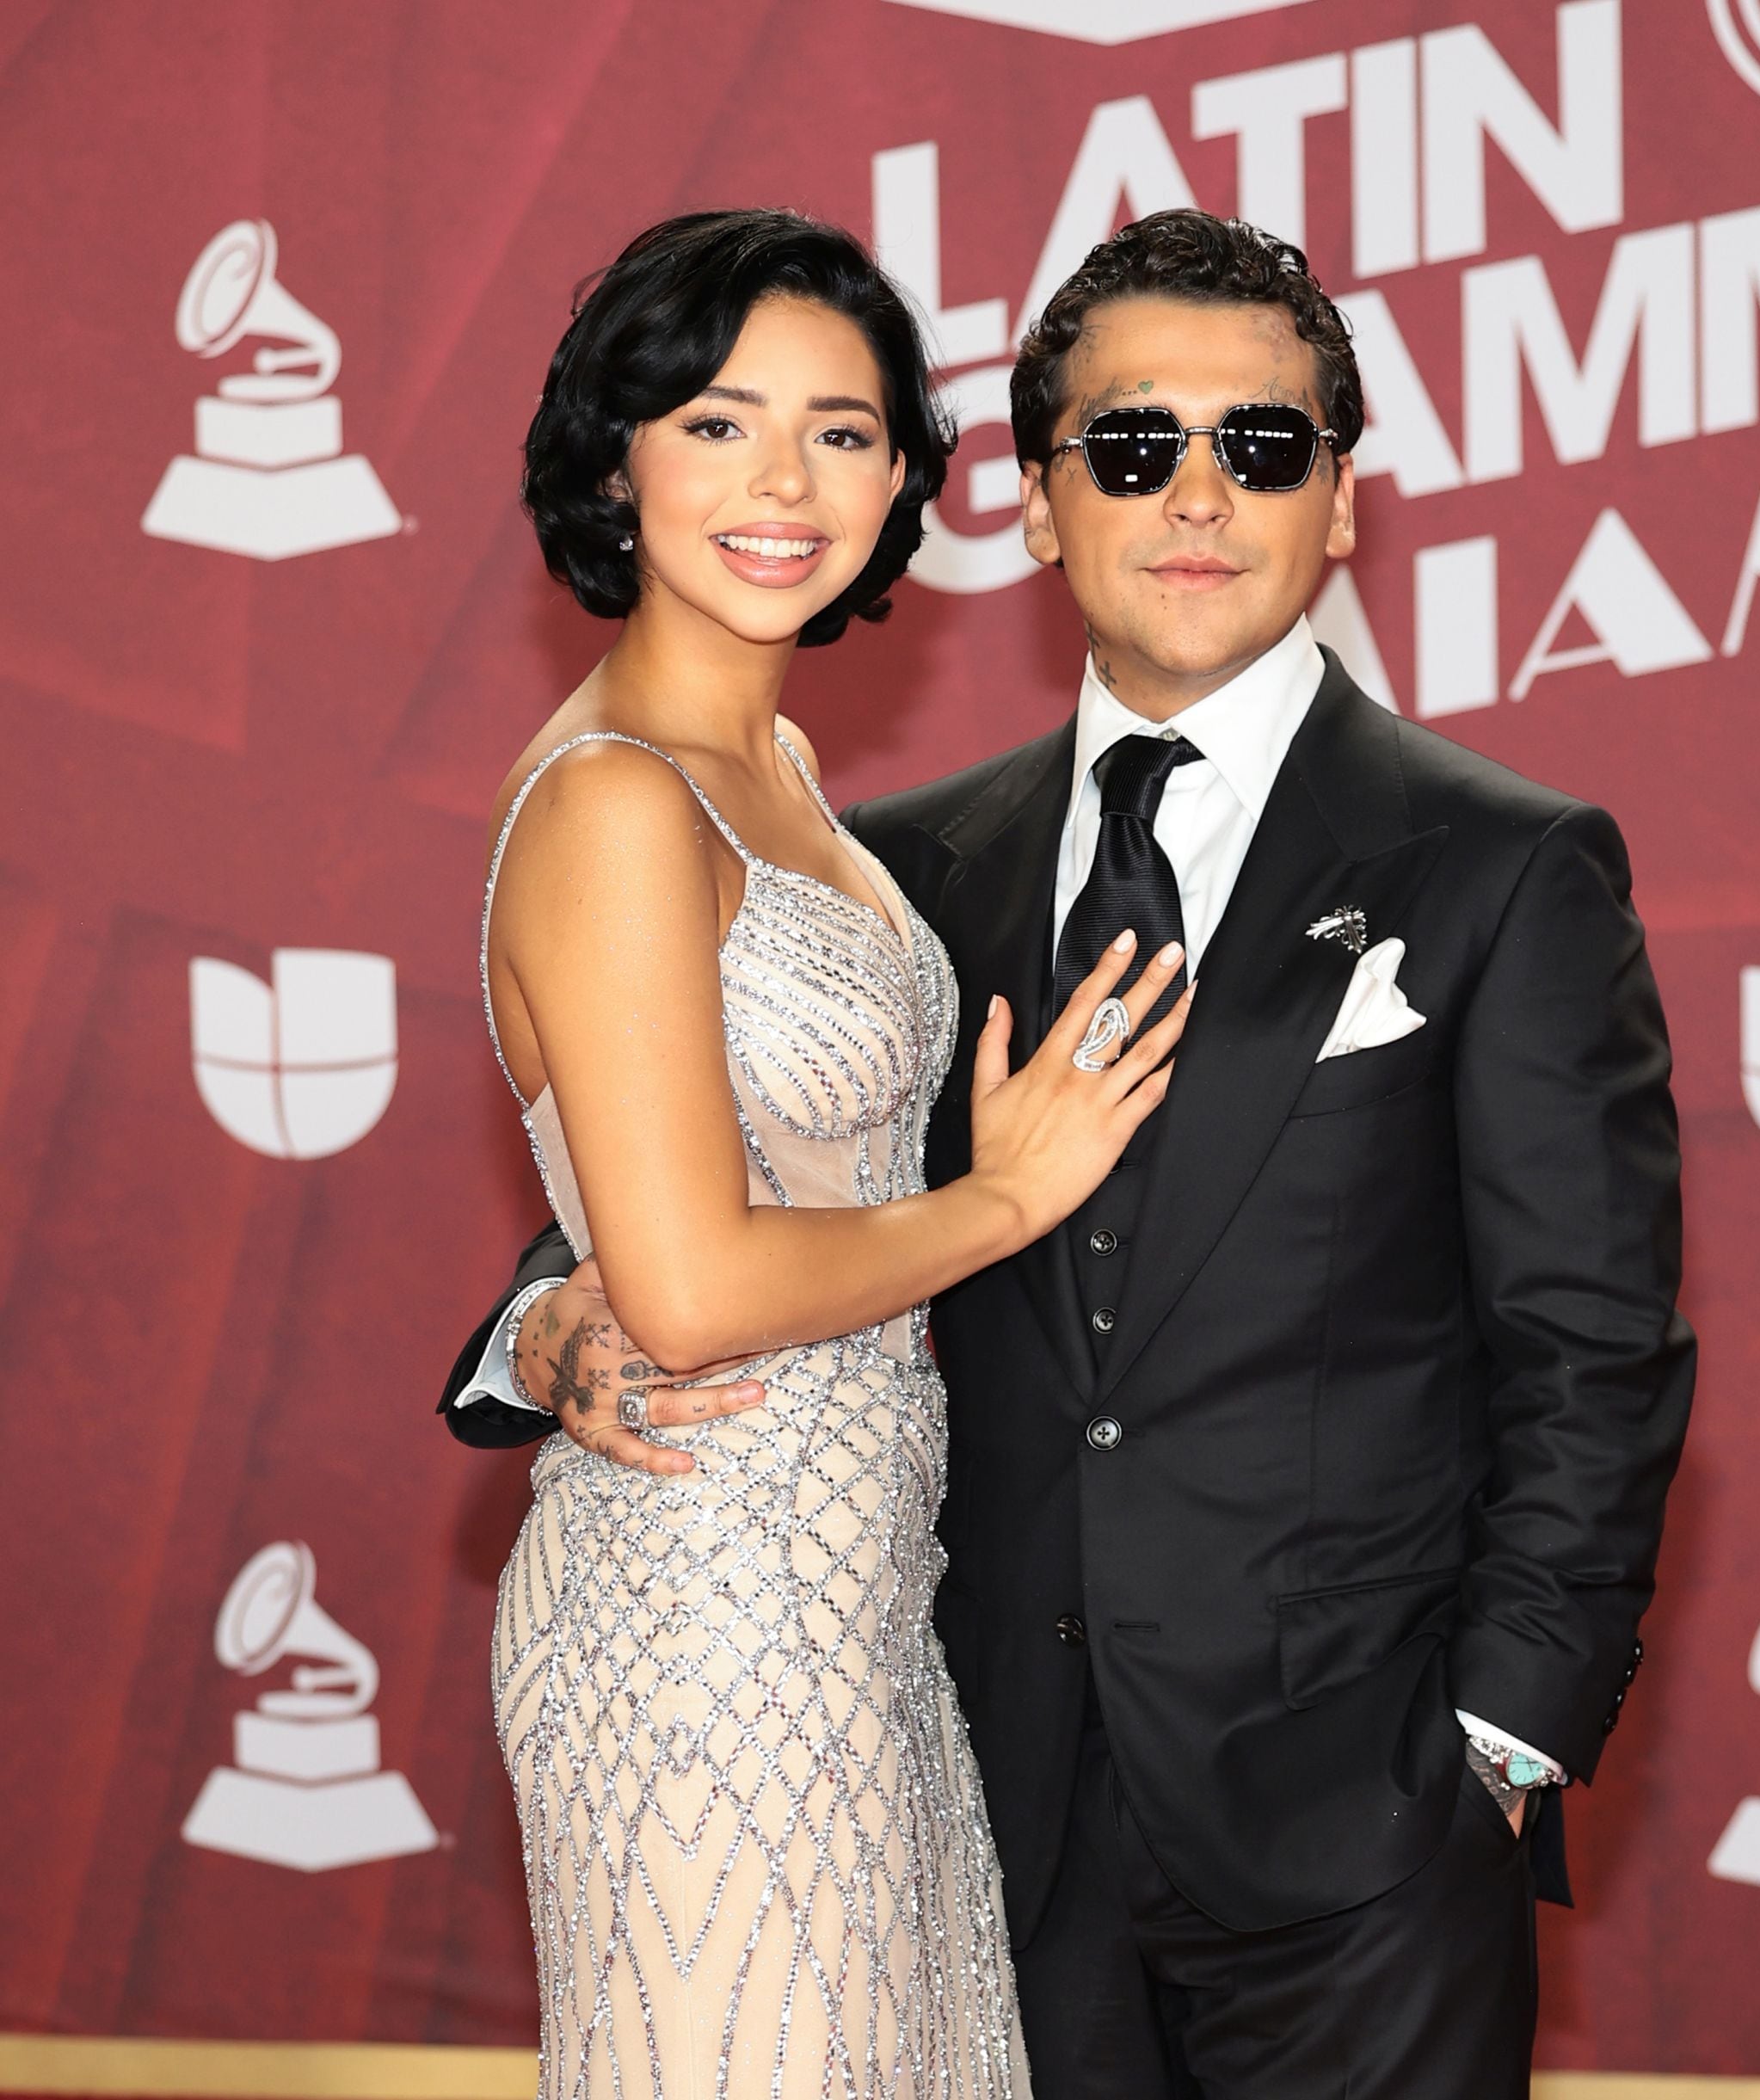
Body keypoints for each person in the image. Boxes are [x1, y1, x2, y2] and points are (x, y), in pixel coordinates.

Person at [446, 209, 1696, 2100]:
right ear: (1036, 507)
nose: (1196, 497)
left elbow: (1595, 1342)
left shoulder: (1505, 866)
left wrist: (1499, 1742)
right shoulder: (900, 865)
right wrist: (544, 1326)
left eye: (1261, 447)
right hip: (974, 1766)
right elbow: (717, 1172)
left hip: (1356, 1825)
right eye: (1129, 449)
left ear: (1341, 502)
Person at [465, 207, 1198, 2100]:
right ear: (615, 459)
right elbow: (696, 1287)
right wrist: (1007, 1197)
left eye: (846, 430)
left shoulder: (776, 780)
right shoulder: (620, 803)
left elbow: (701, 1193)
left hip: (855, 1613)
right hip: (706, 1620)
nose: (786, 480)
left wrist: (548, 1319)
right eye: (718, 422)